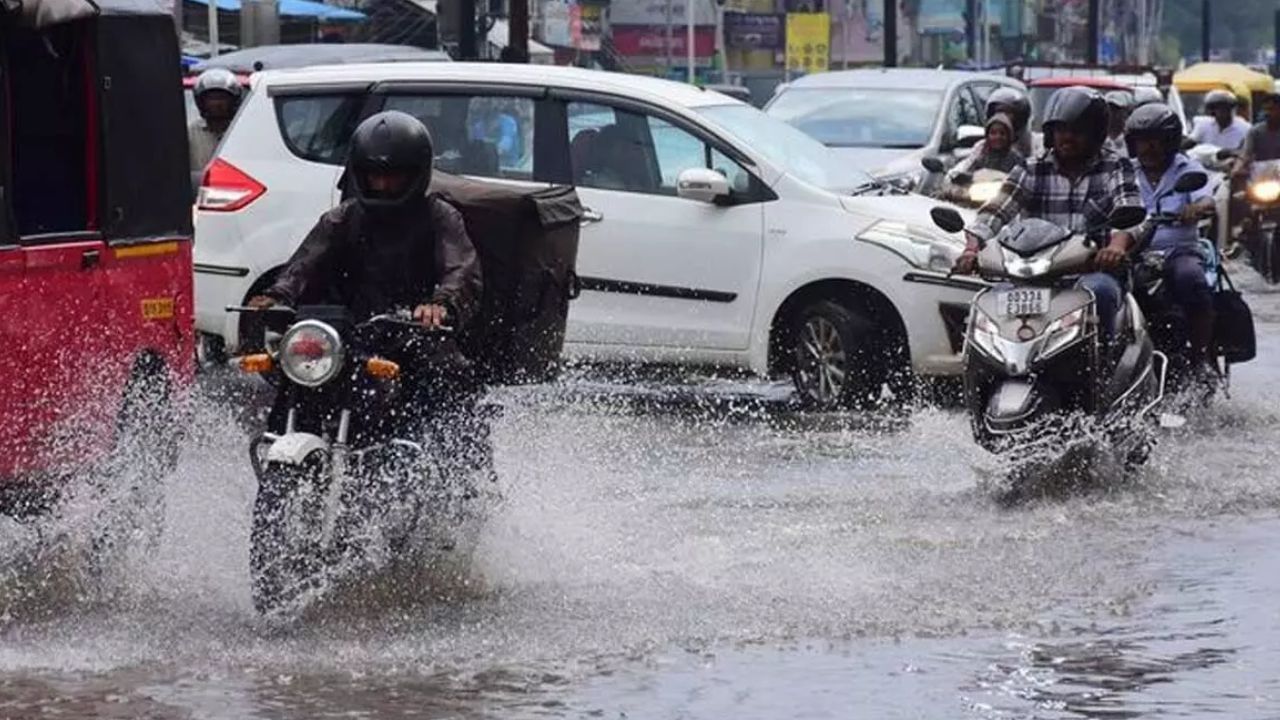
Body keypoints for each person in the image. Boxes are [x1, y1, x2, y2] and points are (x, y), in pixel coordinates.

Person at [248, 111, 488, 474]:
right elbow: (305, 264)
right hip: (349, 336)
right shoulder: (341, 219)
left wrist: (441, 304)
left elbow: (461, 269)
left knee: (446, 381)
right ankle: (281, 457)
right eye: (374, 174)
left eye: (394, 176)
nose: (383, 184)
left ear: (416, 173)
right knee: (297, 376)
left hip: (415, 335)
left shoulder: (440, 217)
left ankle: (449, 479)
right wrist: (279, 295)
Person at [955, 87, 1144, 343]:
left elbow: (1129, 210)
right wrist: (971, 249)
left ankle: (1101, 372)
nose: (1067, 138)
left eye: (1076, 131)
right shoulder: (1031, 169)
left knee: (1100, 294)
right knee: (988, 303)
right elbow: (995, 211)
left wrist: (1115, 247)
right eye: (1060, 130)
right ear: (1049, 134)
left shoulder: (1115, 167)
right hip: (1031, 277)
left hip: (1091, 273)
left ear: (1095, 134)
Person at [1125, 102, 1217, 377]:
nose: (1148, 148)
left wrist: (1195, 209)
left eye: (1155, 141)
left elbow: (1207, 200)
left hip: (1178, 250)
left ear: (1170, 141)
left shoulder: (1186, 169)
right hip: (1134, 252)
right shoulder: (1125, 172)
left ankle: (1200, 358)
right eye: (1142, 141)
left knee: (1191, 279)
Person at [945, 112, 1024, 201]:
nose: (997, 137)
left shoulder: (1016, 159)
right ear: (987, 136)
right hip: (974, 198)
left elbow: (1019, 184)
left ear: (1009, 136)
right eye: (993, 133)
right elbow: (969, 169)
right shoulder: (980, 154)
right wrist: (962, 178)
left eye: (1002, 133)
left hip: (1002, 202)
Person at [189, 68, 243, 181]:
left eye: (222, 98)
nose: (217, 103)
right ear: (201, 102)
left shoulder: (242, 130)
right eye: (211, 98)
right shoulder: (190, 134)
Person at [983, 86, 1033, 157]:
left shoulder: (1033, 146)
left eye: (1007, 112)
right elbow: (967, 165)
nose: (1002, 116)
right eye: (999, 111)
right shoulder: (981, 148)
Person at [1104, 91, 1134, 157]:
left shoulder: (1131, 138)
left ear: (1126, 111)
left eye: (1116, 109)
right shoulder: (1098, 139)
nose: (1111, 113)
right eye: (1108, 108)